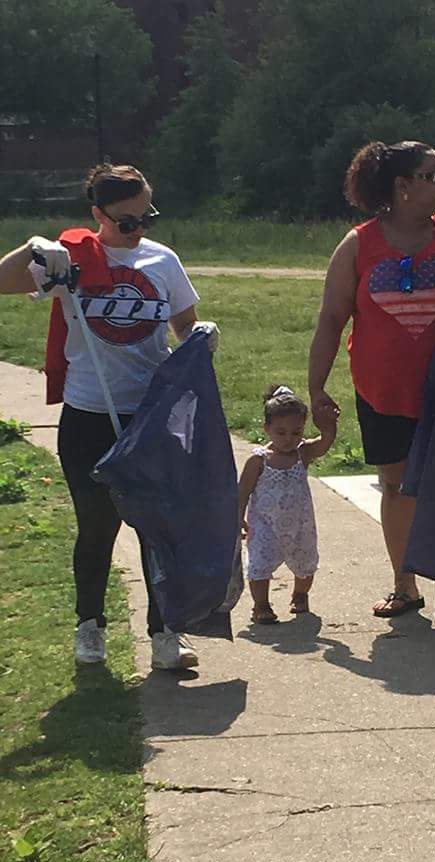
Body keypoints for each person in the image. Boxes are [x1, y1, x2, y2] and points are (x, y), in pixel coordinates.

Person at [0, 163, 219, 669]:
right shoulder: (71, 259)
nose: (138, 229)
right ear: (98, 214)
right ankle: (90, 626)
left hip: (150, 416)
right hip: (89, 415)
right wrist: (36, 245)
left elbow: (183, 327)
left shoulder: (162, 260)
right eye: (127, 221)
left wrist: (203, 335)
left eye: (147, 217)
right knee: (97, 528)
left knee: (157, 529)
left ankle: (165, 634)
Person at [308, 140, 435, 625]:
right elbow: (332, 319)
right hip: (382, 390)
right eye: (432, 177)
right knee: (396, 487)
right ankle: (405, 586)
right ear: (401, 186)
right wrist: (317, 388)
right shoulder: (358, 245)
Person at [237, 385, 337, 624]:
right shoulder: (259, 460)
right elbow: (242, 492)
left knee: (305, 562)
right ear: (267, 429)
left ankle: (300, 595)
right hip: (265, 526)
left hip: (300, 525)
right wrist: (238, 517)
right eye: (281, 432)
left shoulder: (303, 453)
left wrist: (329, 427)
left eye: (296, 432)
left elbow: (323, 444)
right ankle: (261, 604)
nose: (288, 439)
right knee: (260, 564)